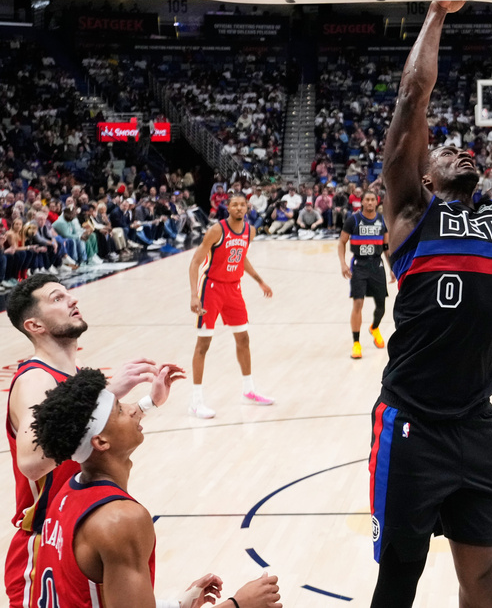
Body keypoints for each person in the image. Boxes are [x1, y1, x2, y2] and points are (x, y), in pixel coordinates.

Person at [369, 0, 492, 608]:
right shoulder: (410, 215)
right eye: (445, 151)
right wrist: (438, 12)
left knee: (485, 577)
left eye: (465, 148)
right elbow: (411, 100)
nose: (461, 150)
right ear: (423, 176)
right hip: (411, 421)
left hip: (475, 421)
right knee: (400, 578)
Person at [28, 369, 283, 608]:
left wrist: (178, 604)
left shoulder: (66, 494)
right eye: (119, 410)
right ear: (101, 441)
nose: (132, 410)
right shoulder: (120, 520)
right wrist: (238, 604)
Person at [4, 274, 183, 607]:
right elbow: (30, 463)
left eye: (68, 295)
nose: (72, 300)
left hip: (79, 525)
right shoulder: (35, 379)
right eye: (57, 298)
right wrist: (107, 394)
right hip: (44, 539)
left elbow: (96, 433)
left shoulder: (74, 370)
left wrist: (147, 403)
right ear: (35, 325)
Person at [188, 192, 274, 419]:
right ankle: (196, 402)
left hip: (234, 289)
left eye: (242, 205)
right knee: (203, 344)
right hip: (211, 290)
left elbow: (240, 256)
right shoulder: (217, 230)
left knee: (243, 339)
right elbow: (196, 262)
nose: (239, 208)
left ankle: (249, 390)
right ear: (228, 207)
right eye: (234, 204)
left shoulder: (250, 231)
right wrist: (194, 295)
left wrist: (259, 280)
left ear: (247, 208)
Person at [338, 189, 394, 359]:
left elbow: (386, 247)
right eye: (367, 200)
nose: (369, 202)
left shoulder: (382, 221)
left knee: (381, 306)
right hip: (359, 266)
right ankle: (356, 343)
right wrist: (343, 264)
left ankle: (374, 328)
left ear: (377, 202)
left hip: (377, 265)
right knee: (358, 303)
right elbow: (341, 242)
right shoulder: (353, 220)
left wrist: (392, 267)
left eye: (372, 200)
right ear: (361, 202)